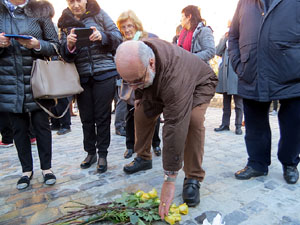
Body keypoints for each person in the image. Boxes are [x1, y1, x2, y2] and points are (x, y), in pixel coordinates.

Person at [114, 39, 218, 216]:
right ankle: (144, 157)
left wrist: (169, 179)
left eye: (137, 81)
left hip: (199, 83)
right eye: (128, 82)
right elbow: (136, 76)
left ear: (151, 63)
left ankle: (193, 176)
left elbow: (174, 125)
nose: (132, 87)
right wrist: (138, 91)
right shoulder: (140, 56)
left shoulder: (174, 77)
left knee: (193, 120)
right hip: (158, 85)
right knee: (140, 111)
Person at [228, 0, 300, 184]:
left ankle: (290, 163)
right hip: (252, 71)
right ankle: (257, 164)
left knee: (293, 124)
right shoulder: (245, 2)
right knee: (254, 124)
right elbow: (234, 36)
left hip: (292, 75)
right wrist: (238, 63)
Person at [58, 0, 122, 173]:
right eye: (71, 1)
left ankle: (102, 154)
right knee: (86, 118)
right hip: (82, 76)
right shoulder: (64, 22)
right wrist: (69, 45)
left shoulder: (99, 14)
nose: (76, 4)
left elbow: (117, 36)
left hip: (105, 73)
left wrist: (102, 36)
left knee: (102, 117)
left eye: (79, 0)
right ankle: (90, 152)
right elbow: (63, 53)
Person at [0, 0, 59, 189]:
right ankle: (26, 170)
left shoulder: (40, 10)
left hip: (38, 80)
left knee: (42, 126)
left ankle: (47, 169)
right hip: (8, 80)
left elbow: (56, 46)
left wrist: (36, 44)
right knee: (18, 128)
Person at [116, 10, 161, 159]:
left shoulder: (146, 39)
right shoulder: (121, 43)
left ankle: (155, 143)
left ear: (136, 26)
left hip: (147, 84)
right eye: (123, 27)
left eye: (129, 26)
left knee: (152, 114)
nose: (127, 30)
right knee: (130, 115)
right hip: (130, 85)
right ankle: (130, 146)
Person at [214, 21, 243, 135]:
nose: (230, 29)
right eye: (229, 27)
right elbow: (217, 51)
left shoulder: (241, 37)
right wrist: (224, 38)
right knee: (226, 103)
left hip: (236, 75)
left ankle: (238, 126)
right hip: (225, 76)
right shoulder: (226, 39)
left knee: (238, 104)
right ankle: (225, 124)